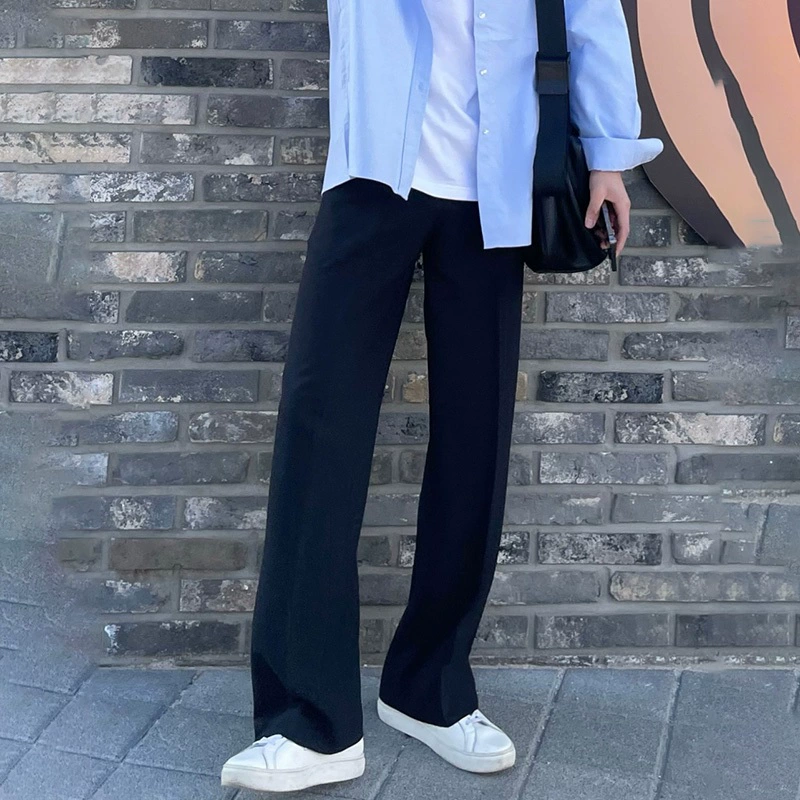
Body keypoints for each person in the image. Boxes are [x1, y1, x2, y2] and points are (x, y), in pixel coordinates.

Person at [221, 0, 664, 792]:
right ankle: (310, 721)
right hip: (374, 169)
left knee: (475, 440)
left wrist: (606, 156)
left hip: (497, 178)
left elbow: (591, 12)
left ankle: (430, 690)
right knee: (321, 430)